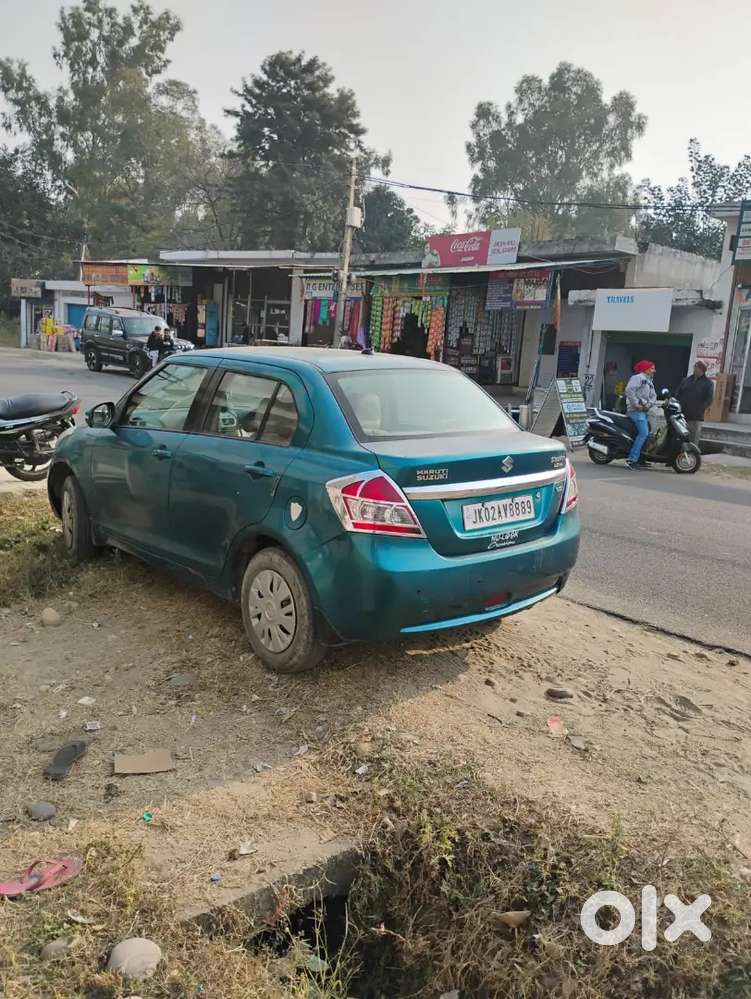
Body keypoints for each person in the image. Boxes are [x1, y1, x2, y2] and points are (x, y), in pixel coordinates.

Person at [624, 360, 657, 470]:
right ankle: (631, 459)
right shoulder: (638, 378)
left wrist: (649, 404)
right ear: (645, 369)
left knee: (648, 434)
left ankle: (641, 459)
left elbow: (653, 396)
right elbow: (629, 390)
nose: (654, 371)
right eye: (652, 368)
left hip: (644, 411)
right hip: (635, 411)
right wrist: (636, 404)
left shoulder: (649, 381)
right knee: (643, 433)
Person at [676, 360, 714, 446]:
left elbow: (709, 399)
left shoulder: (708, 383)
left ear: (702, 370)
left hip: (695, 417)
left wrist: (700, 408)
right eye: (695, 367)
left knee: (693, 439)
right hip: (682, 415)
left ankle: (691, 456)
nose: (695, 369)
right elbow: (678, 393)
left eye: (697, 367)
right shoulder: (686, 380)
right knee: (680, 437)